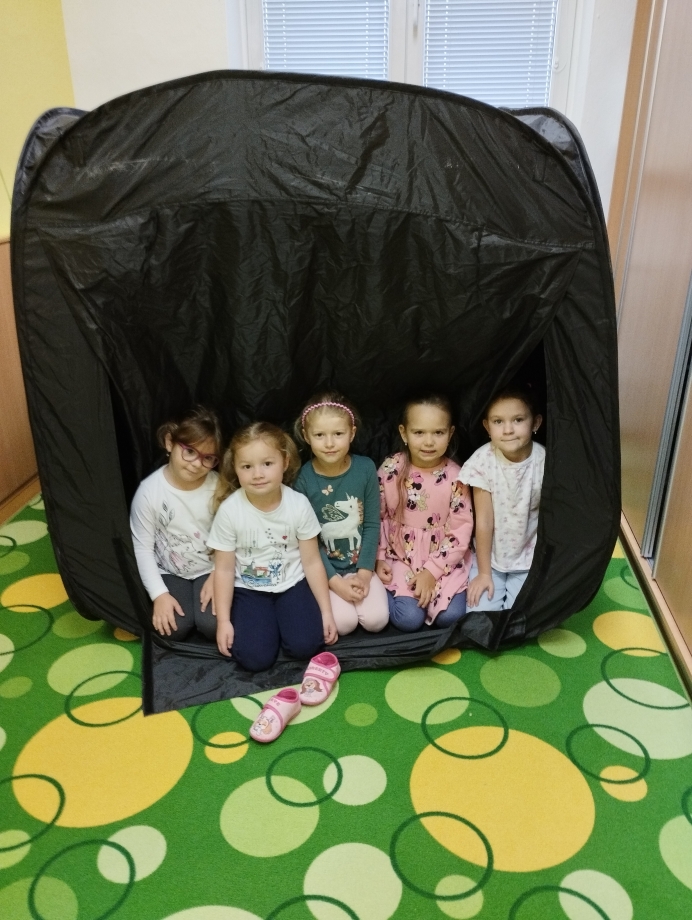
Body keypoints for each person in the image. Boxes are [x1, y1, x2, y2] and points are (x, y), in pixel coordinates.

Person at [208, 422, 338, 672]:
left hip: (293, 584)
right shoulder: (230, 511)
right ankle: (266, 628)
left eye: (267, 464)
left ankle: (285, 625)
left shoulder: (298, 505)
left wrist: (326, 612)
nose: (257, 474)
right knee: (254, 658)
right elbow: (223, 570)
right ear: (235, 468)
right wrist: (223, 621)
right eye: (247, 466)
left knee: (306, 646)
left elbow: (312, 562)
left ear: (285, 462)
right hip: (249, 589)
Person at [293, 392, 389, 636]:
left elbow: (371, 524)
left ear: (352, 433)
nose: (329, 443)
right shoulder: (303, 479)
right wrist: (335, 582)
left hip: (361, 566)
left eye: (338, 434)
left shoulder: (365, 468)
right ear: (306, 436)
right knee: (344, 624)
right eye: (319, 435)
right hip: (327, 571)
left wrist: (365, 574)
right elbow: (309, 542)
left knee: (377, 621)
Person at [376, 395, 473, 631]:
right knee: (409, 620)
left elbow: (461, 531)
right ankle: (381, 594)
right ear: (404, 433)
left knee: (451, 617)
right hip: (399, 557)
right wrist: (378, 557)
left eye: (438, 433)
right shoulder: (391, 468)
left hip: (442, 559)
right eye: (419, 432)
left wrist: (431, 572)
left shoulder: (457, 476)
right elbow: (376, 517)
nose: (428, 442)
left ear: (450, 433)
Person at [130, 406, 223, 639]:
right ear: (170, 442)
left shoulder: (218, 486)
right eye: (190, 451)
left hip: (210, 569)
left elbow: (231, 537)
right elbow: (142, 549)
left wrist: (218, 573)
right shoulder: (149, 492)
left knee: (212, 624)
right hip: (170, 572)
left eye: (207, 458)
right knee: (173, 628)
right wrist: (159, 594)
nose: (196, 464)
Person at [459, 386, 545, 611]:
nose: (508, 430)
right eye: (498, 422)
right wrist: (484, 573)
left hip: (528, 558)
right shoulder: (482, 461)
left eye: (518, 420)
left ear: (535, 423)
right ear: (487, 427)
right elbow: (484, 521)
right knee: (478, 614)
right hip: (490, 558)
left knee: (522, 616)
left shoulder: (544, 461)